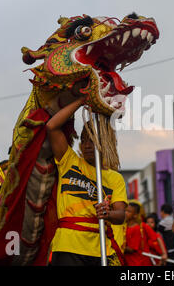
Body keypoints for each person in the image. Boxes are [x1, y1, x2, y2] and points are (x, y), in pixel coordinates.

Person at [47, 96, 127, 266]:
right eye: (84, 140)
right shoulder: (69, 161)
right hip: (68, 245)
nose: (87, 145)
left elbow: (120, 215)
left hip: (101, 249)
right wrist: (82, 100)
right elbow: (52, 126)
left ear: (105, 141)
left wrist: (108, 214)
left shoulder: (115, 178)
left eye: (92, 139)